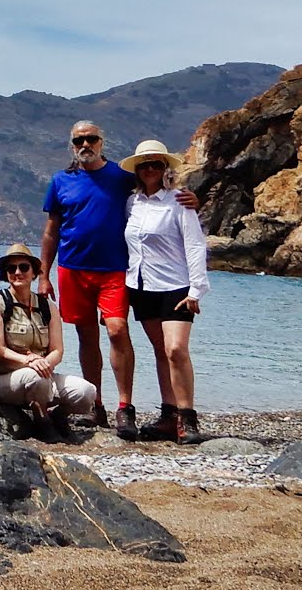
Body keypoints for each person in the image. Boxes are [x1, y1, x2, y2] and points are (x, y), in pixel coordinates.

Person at [37, 122, 199, 439]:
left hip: (114, 271)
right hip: (72, 269)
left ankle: (125, 408)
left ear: (102, 142)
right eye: (79, 139)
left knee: (116, 329)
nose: (86, 144)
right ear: (72, 145)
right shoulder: (60, 181)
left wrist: (192, 200)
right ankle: (95, 407)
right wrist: (43, 274)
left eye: (91, 138)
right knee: (86, 337)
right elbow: (51, 231)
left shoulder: (122, 179)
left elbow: (158, 194)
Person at [122, 140, 210, 444]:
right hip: (141, 286)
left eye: (156, 164)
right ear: (137, 170)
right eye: (144, 164)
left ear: (164, 169)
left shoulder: (180, 202)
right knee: (161, 352)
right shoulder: (131, 204)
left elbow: (195, 244)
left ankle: (188, 418)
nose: (149, 169)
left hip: (176, 287)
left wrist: (197, 289)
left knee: (176, 350)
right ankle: (169, 416)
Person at [0, 243, 97, 437]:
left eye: (24, 267)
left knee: (86, 392)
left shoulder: (47, 306)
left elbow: (57, 350)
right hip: (5, 380)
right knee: (36, 377)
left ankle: (59, 417)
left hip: (42, 376)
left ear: (34, 272)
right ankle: (42, 420)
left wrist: (44, 363)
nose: (17, 272)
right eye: (11, 268)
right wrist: (29, 361)